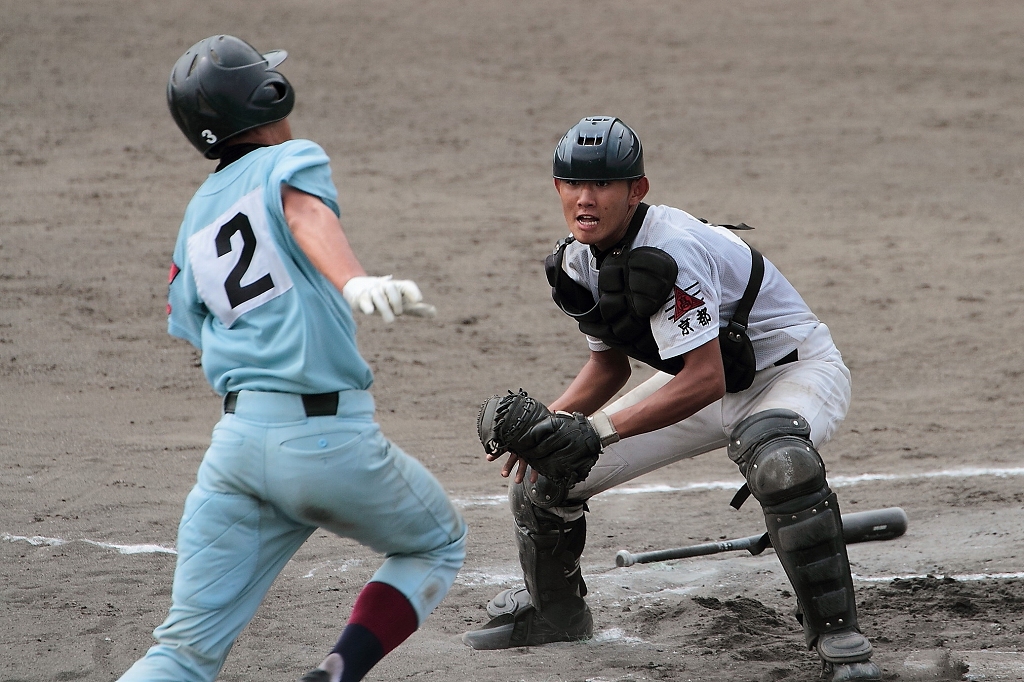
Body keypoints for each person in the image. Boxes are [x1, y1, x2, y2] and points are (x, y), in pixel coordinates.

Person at [463, 116, 881, 681]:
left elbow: (704, 379)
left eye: (605, 184)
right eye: (572, 182)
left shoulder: (672, 249)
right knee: (548, 472)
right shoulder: (578, 261)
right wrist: (553, 424)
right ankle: (554, 614)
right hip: (703, 382)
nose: (586, 198)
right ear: (557, 187)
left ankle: (841, 643)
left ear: (638, 190)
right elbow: (607, 367)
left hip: (789, 372)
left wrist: (599, 431)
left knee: (781, 460)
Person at [117, 35, 467, 682]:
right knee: (439, 541)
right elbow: (304, 214)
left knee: (181, 653)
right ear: (265, 96)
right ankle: (337, 672)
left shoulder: (194, 218)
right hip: (328, 444)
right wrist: (354, 281)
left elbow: (191, 325)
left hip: (237, 451)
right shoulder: (291, 158)